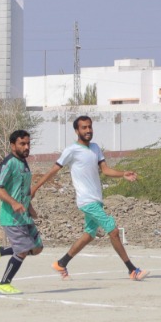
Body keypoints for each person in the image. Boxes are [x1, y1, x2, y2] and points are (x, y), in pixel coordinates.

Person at [33, 115, 148, 282]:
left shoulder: (95, 148)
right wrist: (34, 188)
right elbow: (53, 170)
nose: (88, 130)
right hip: (86, 201)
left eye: (90, 127)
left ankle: (61, 263)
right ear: (76, 131)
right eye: (84, 127)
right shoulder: (71, 150)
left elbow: (106, 170)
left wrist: (123, 174)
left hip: (96, 199)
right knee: (113, 231)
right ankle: (132, 270)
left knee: (89, 234)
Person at [0, 129, 44, 294]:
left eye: (28, 144)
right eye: (22, 144)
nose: (26, 147)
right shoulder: (9, 163)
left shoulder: (23, 162)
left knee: (37, 247)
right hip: (11, 217)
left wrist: (30, 208)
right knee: (22, 250)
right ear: (13, 145)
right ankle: (4, 284)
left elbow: (23, 190)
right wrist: (13, 203)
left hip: (24, 216)